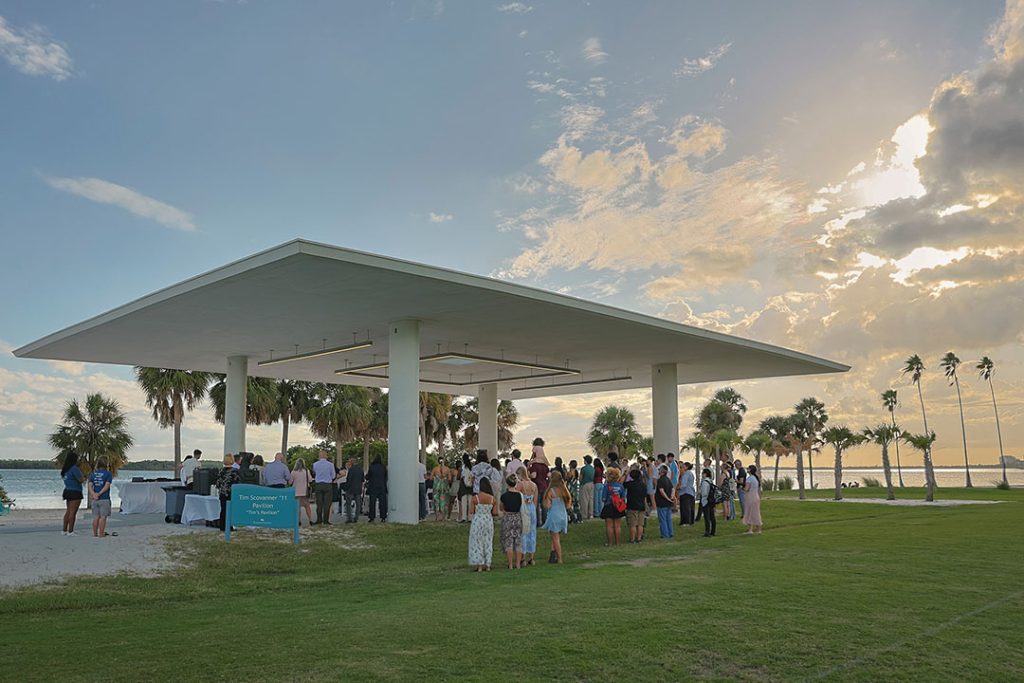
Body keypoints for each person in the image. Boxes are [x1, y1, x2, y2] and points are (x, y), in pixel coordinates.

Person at [541, 470, 570, 563]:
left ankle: (559, 558)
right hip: (563, 515)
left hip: (554, 515)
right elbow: (568, 505)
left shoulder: (551, 491)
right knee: (556, 537)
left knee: (555, 538)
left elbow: (548, 505)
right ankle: (552, 555)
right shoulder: (564, 490)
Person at [468, 479, 497, 572]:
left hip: (478, 520)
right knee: (488, 542)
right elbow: (495, 512)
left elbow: (471, 511)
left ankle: (479, 564)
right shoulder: (492, 498)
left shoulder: (475, 498)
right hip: (488, 520)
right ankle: (487, 564)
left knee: (477, 541)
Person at [499, 476, 524, 569]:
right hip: (517, 517)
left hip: (508, 517)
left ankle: (510, 564)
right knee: (518, 541)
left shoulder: (504, 496)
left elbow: (501, 508)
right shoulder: (519, 495)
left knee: (508, 541)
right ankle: (518, 564)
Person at [515, 466, 539, 566]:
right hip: (532, 508)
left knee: (523, 532)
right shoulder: (534, 485)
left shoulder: (520, 485)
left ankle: (523, 557)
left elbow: (516, 498)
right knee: (532, 532)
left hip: (523, 509)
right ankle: (532, 557)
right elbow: (535, 501)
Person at [60, 451, 85, 536]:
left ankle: (64, 530)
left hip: (67, 490)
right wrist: (83, 476)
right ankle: (71, 531)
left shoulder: (65, 469)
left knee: (68, 511)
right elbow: (80, 480)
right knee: (73, 512)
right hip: (75, 491)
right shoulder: (74, 468)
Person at [88, 456, 114, 538]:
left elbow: (89, 486)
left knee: (95, 517)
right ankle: (101, 533)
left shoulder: (93, 474)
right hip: (104, 498)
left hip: (95, 499)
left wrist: (93, 494)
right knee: (103, 517)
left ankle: (95, 533)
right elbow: (106, 486)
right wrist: (99, 494)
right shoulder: (108, 474)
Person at [600, 467, 626, 546]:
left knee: (609, 526)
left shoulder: (607, 487)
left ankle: (610, 543)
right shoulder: (620, 486)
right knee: (617, 526)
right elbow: (623, 497)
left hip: (608, 506)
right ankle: (618, 542)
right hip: (618, 506)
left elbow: (603, 499)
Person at [216, 454, 240, 531]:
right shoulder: (235, 471)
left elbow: (218, 484)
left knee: (223, 510)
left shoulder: (221, 471)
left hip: (222, 493)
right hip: (231, 493)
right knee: (230, 510)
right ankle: (229, 526)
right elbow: (237, 482)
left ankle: (222, 526)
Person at [528, 439, 550, 523]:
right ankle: (545, 521)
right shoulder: (545, 465)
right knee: (544, 505)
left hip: (536, 486)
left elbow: (534, 475)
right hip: (545, 486)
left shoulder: (534, 465)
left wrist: (528, 475)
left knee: (536, 505)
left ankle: (537, 522)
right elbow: (549, 475)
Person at [623, 466, 647, 544]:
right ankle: (639, 538)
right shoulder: (643, 485)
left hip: (632, 505)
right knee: (640, 524)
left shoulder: (630, 484)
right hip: (641, 505)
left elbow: (622, 484)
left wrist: (625, 475)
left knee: (633, 524)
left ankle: (632, 539)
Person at [312, 451, 336, 525]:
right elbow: (333, 476)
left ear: (319, 456)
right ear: (326, 456)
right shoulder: (330, 465)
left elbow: (314, 473)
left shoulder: (315, 464)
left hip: (318, 484)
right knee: (327, 503)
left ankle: (319, 519)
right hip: (327, 485)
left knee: (319, 503)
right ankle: (326, 520)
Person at [291, 458, 314, 526]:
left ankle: (299, 521)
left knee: (297, 507)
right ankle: (310, 519)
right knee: (307, 506)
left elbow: (290, 481)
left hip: (296, 491)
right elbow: (310, 480)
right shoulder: (306, 471)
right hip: (304, 491)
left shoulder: (293, 472)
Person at [366, 455, 388, 523]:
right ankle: (383, 517)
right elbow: (386, 476)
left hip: (373, 487)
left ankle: (372, 517)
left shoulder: (372, 467)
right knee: (382, 503)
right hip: (382, 487)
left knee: (372, 503)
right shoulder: (383, 467)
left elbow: (368, 476)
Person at [656, 465, 675, 539]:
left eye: (659, 470)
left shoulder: (660, 480)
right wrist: (671, 497)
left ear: (661, 472)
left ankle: (665, 535)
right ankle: (670, 533)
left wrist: (667, 498)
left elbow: (661, 491)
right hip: (668, 503)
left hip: (662, 503)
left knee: (663, 520)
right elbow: (673, 489)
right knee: (668, 519)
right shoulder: (668, 479)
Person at [743, 465, 763, 534]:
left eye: (748, 468)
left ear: (750, 470)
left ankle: (750, 529)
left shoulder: (749, 479)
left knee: (749, 512)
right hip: (756, 496)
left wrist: (743, 488)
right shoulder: (755, 478)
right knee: (756, 513)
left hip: (750, 497)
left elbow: (747, 488)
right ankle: (758, 529)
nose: (747, 469)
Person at [345, 457, 365, 523]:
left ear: (351, 462)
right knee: (358, 503)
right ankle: (356, 517)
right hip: (358, 488)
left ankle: (349, 518)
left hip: (350, 489)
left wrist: (346, 488)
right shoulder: (360, 469)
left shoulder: (351, 469)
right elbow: (362, 479)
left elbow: (349, 479)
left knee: (348, 504)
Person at [699, 468, 717, 538]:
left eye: (703, 473)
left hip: (706, 501)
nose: (702, 474)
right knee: (712, 517)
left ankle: (707, 532)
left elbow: (704, 493)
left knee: (707, 517)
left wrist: (700, 493)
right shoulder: (710, 481)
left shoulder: (704, 482)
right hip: (711, 501)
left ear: (705, 474)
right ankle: (713, 531)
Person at [678, 462, 696, 526]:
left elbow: (683, 485)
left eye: (682, 467)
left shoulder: (686, 474)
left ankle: (686, 522)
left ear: (686, 467)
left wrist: (677, 488)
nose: (681, 468)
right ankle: (690, 521)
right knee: (690, 508)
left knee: (685, 508)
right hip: (691, 492)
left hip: (685, 492)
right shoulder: (691, 473)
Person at [458, 454, 474, 523]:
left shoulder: (462, 467)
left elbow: (459, 477)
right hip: (470, 485)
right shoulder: (472, 467)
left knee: (463, 502)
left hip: (463, 485)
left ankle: (464, 517)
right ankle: (470, 517)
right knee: (470, 502)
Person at [579, 455, 595, 520]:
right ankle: (591, 514)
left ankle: (584, 514)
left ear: (586, 461)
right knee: (591, 499)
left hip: (585, 484)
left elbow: (580, 478)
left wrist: (581, 482)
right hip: (592, 484)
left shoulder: (583, 468)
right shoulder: (592, 468)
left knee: (585, 500)